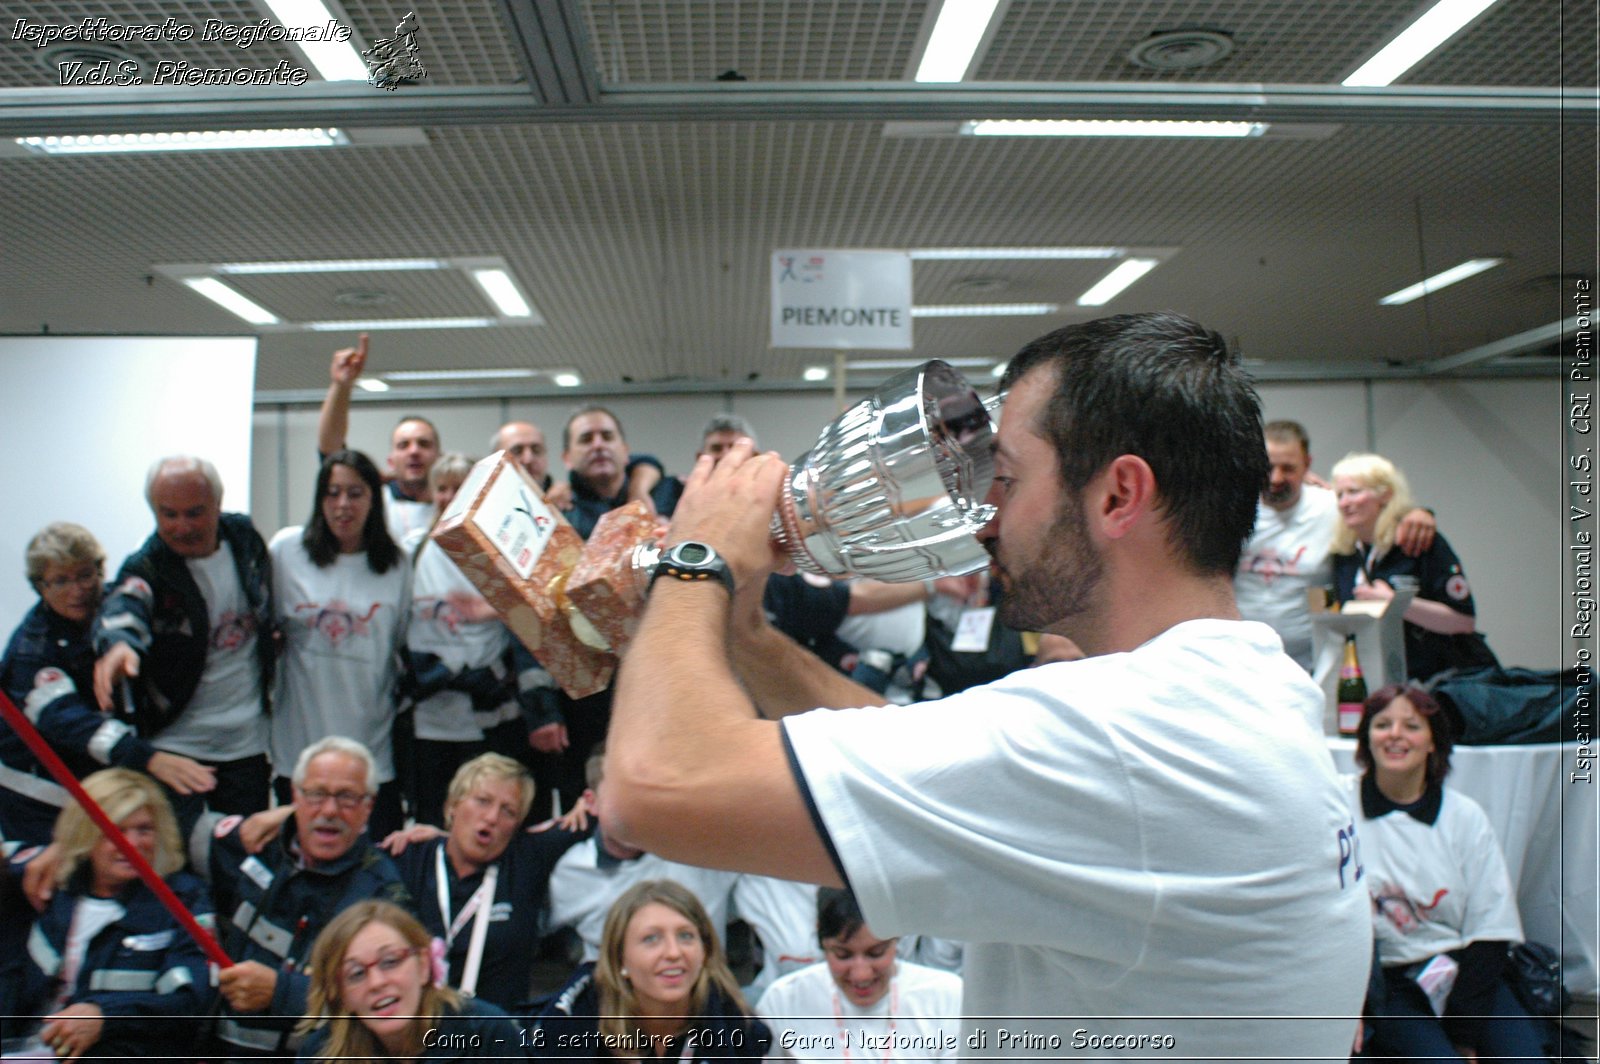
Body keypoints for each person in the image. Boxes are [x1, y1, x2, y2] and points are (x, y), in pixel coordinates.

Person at [604, 312, 1371, 1059]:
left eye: (1004, 478)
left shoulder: (1125, 734)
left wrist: (695, 558)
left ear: (1118, 496)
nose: (981, 519)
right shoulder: (1237, 688)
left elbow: (653, 789)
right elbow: (928, 764)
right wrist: (746, 638)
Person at [1352, 684, 1551, 1061]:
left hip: (1464, 972)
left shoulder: (1465, 817)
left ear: (1433, 743)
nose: (1395, 734)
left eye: (1411, 726)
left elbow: (1491, 930)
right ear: (1367, 739)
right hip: (1386, 982)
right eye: (1382, 725)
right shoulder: (1338, 806)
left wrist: (1465, 1032)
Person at [1, 524, 212, 846]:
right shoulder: (32, 650)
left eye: (85, 575)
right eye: (61, 580)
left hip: (98, 778)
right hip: (38, 795)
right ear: (40, 587)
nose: (77, 590)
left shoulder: (116, 606)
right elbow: (71, 723)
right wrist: (148, 758)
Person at [208, 737, 412, 1058]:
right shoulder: (256, 846)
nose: (329, 810)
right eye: (316, 794)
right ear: (295, 796)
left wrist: (282, 992)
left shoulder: (382, 896)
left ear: (368, 807)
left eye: (346, 797)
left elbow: (390, 1001)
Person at [93, 456, 273, 819]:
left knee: (245, 865)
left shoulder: (243, 540)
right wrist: (119, 646)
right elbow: (127, 603)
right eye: (168, 514)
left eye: (195, 513)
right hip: (175, 748)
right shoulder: (148, 566)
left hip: (246, 748)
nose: (182, 526)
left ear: (218, 506)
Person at [0, 768, 214, 1062]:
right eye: (114, 831)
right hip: (25, 1049)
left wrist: (105, 1016)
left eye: (144, 830)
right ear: (85, 835)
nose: (131, 844)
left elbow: (191, 1000)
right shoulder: (53, 884)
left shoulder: (184, 900)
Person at [270, 449, 413, 836]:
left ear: (373, 499)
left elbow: (400, 644)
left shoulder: (397, 564)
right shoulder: (287, 551)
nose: (342, 505)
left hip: (372, 748)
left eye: (355, 493)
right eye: (332, 493)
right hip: (298, 747)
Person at [386, 753, 585, 1008]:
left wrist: (586, 805)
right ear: (452, 806)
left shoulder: (526, 859)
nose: (492, 817)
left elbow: (611, 811)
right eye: (482, 801)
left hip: (496, 1037)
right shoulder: (408, 856)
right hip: (414, 1032)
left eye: (508, 811)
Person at [1235, 421, 1436, 671]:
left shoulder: (1332, 507)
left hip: (1311, 661)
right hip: (1241, 658)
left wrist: (1418, 513)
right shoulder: (1231, 508)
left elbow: (1380, 513)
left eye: (1288, 468)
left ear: (1307, 464)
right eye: (1268, 466)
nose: (1276, 478)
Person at [403, 454, 530, 826]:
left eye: (460, 487)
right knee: (431, 816)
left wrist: (490, 609)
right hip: (430, 710)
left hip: (489, 710)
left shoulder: (503, 549)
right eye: (442, 487)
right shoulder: (411, 549)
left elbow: (543, 606)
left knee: (485, 816)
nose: (449, 496)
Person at [535, 878, 773, 1061]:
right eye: (651, 939)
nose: (673, 952)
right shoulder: (570, 1022)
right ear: (619, 959)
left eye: (686, 936)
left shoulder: (734, 1022)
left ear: (705, 951)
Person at [1330, 453, 1497, 682]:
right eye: (1339, 495)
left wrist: (1394, 603)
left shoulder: (1419, 541)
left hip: (1448, 679)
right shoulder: (1345, 554)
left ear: (1385, 494)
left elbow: (1463, 622)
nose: (1344, 502)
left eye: (1354, 492)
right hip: (1384, 681)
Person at [297, 899, 524, 1062]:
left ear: (424, 965)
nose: (376, 982)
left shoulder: (488, 1035)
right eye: (356, 974)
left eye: (390, 962)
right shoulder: (319, 1054)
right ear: (340, 994)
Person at [758, 887, 962, 1062]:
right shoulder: (783, 1001)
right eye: (842, 955)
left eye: (876, 954)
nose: (861, 975)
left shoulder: (945, 997)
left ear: (897, 938)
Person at [318, 334, 441, 542]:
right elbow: (332, 453)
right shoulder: (374, 500)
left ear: (440, 457)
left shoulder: (456, 504)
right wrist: (341, 386)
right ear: (391, 461)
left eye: (424, 444)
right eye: (403, 445)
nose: (414, 451)